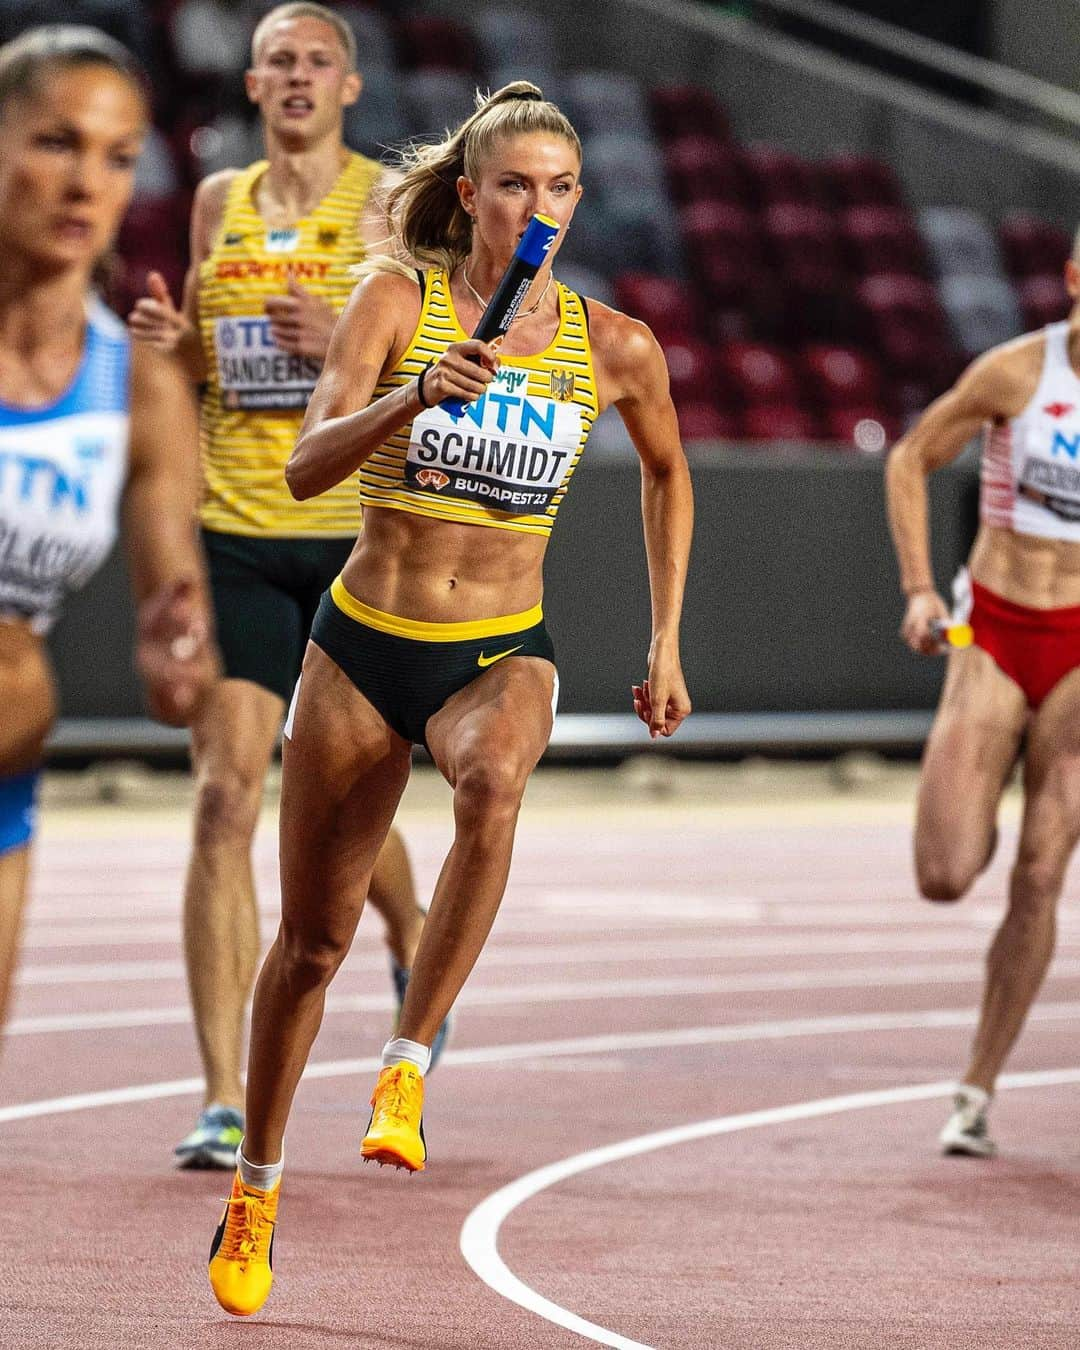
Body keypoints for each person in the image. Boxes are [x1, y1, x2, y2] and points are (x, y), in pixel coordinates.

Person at [203, 79, 693, 1319]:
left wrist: (667, 635)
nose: (543, 209)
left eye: (563, 189)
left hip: (499, 652)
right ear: (471, 196)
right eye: (518, 186)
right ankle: (257, 1185)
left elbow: (671, 476)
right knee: (309, 944)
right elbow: (311, 465)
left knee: (496, 780)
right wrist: (412, 395)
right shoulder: (399, 302)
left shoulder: (613, 344)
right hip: (364, 645)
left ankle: (409, 1062)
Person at [127, 2, 444, 1170]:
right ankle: (221, 1096)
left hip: (357, 541)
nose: (299, 77)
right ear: (251, 85)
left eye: (320, 61)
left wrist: (341, 348)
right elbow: (215, 356)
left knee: (343, 817)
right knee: (226, 798)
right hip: (237, 529)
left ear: (350, 88)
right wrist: (175, 345)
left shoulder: (391, 206)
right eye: (280, 62)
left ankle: (413, 943)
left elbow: (437, 357)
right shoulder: (219, 201)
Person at [0, 26, 217, 1042]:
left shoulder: (136, 386)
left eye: (118, 157)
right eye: (54, 143)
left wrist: (178, 656)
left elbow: (175, 633)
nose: (86, 183)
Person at [886, 238, 1080, 1158]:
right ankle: (987, 789)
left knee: (1043, 875)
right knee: (944, 874)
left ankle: (976, 1088)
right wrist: (923, 589)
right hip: (996, 631)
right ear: (1076, 280)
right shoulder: (1015, 372)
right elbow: (910, 458)